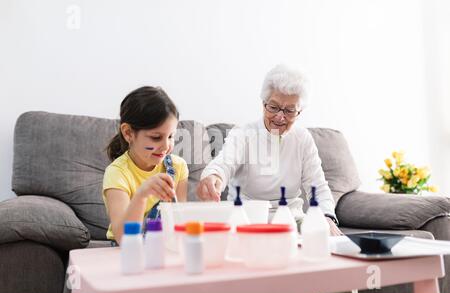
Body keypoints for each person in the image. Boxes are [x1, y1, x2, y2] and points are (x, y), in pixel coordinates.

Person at [196, 64, 343, 236]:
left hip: (291, 220)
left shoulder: (303, 139)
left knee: (320, 237)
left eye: (289, 110)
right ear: (263, 103)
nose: (280, 117)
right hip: (247, 219)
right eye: (273, 107)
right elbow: (223, 164)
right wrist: (214, 176)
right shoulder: (243, 134)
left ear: (299, 112)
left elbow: (317, 185)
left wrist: (326, 217)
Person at [103, 86, 188, 245]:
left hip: (164, 247)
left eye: (171, 136)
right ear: (128, 133)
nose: (166, 146)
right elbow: (123, 237)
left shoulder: (178, 167)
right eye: (156, 137)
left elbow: (179, 223)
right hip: (126, 251)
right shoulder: (117, 173)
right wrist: (142, 195)